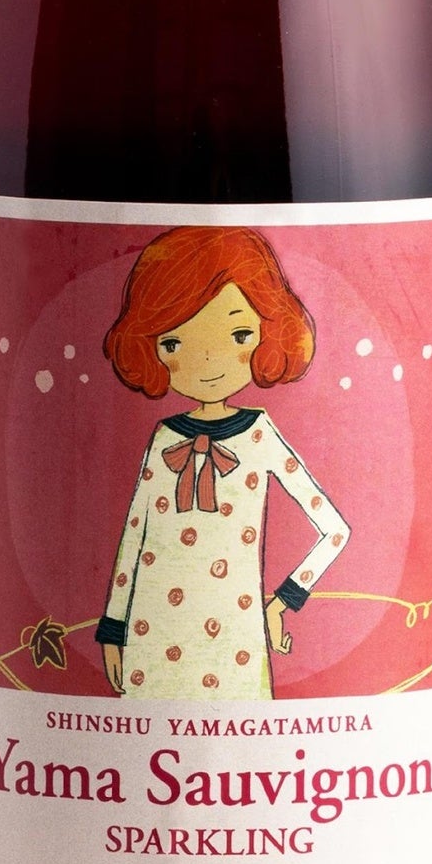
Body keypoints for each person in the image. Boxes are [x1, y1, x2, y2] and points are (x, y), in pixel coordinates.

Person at [93, 226, 349, 700]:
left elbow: (334, 529)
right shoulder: (165, 438)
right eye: (175, 341)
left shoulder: (258, 435)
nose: (208, 358)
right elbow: (134, 534)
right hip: (151, 634)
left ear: (267, 334)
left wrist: (284, 600)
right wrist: (113, 627)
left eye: (237, 333)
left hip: (235, 639)